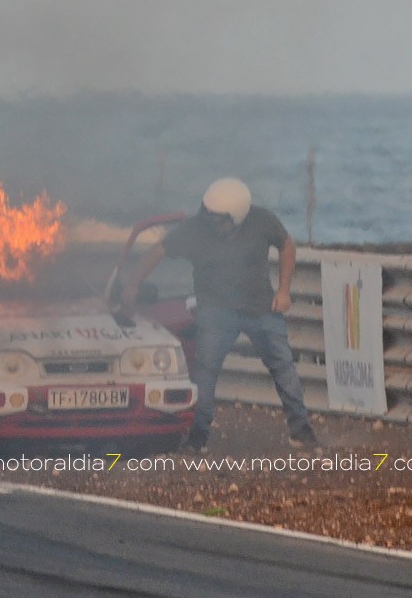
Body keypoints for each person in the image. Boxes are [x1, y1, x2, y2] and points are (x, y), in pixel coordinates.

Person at [119, 177, 319, 453]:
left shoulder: (262, 221)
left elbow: (287, 246)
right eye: (209, 217)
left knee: (283, 366)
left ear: (238, 218)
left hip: (261, 308)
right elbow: (158, 251)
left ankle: (301, 430)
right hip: (215, 311)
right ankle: (198, 434)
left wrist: (284, 290)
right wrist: (132, 284)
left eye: (220, 220)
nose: (213, 224)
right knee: (206, 371)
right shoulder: (194, 229)